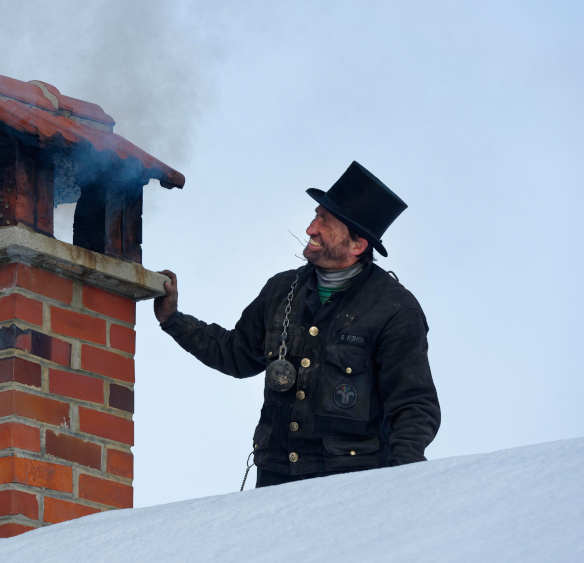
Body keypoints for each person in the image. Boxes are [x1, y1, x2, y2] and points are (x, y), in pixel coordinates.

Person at [155, 161, 440, 488]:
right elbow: (236, 354)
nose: (310, 229)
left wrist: (404, 484)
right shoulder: (280, 290)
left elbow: (413, 407)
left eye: (324, 221)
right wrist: (173, 320)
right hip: (275, 482)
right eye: (315, 216)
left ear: (357, 245)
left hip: (352, 487)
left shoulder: (395, 309)